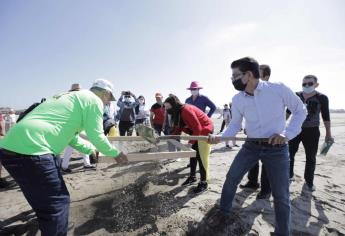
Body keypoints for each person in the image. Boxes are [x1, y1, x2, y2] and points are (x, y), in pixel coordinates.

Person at [0, 78, 128, 236]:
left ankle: (47, 222)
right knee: (58, 204)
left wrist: (90, 150)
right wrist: (116, 153)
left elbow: (70, 136)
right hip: (34, 150)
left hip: (8, 149)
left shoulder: (69, 97)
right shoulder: (94, 101)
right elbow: (97, 135)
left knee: (41, 199)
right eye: (109, 98)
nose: (108, 102)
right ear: (105, 93)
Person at [208, 57, 307, 236]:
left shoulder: (277, 89)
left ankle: (282, 233)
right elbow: (234, 125)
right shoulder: (237, 99)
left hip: (277, 149)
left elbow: (300, 110)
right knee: (231, 178)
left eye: (235, 75)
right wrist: (219, 137)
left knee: (281, 195)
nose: (232, 80)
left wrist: (286, 134)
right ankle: (223, 214)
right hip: (251, 145)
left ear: (249, 74)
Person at [288, 75, 333, 191]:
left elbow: (326, 116)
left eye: (310, 83)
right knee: (289, 154)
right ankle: (289, 175)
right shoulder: (296, 95)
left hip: (312, 131)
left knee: (311, 157)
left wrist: (328, 133)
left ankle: (309, 182)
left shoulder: (322, 98)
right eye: (304, 84)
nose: (307, 86)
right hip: (295, 129)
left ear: (316, 84)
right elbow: (288, 112)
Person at [164, 95, 214, 194]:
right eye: (165, 107)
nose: (166, 110)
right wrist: (171, 136)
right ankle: (192, 177)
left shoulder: (186, 110)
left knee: (201, 157)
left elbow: (198, 128)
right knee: (192, 155)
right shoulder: (178, 112)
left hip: (204, 131)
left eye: (168, 107)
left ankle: (204, 183)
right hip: (194, 131)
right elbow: (178, 128)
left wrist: (190, 143)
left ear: (174, 105)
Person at [239, 64, 272, 199]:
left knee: (267, 164)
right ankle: (252, 182)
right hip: (252, 135)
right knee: (252, 160)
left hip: (268, 136)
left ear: (266, 77)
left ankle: (266, 189)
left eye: (257, 74)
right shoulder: (249, 92)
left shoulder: (272, 93)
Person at [60, 83, 95, 173]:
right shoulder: (77, 101)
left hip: (74, 126)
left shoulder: (69, 100)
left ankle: (85, 164)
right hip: (74, 126)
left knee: (74, 145)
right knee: (73, 146)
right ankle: (65, 166)